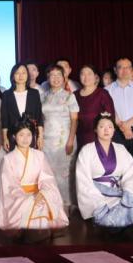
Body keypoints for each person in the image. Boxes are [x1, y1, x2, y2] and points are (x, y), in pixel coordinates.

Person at [76, 113, 133, 228]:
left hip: (118, 192)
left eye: (110, 127)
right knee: (114, 217)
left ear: (114, 130)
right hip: (97, 195)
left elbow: (130, 173)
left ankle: (131, 235)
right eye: (102, 126)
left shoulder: (121, 149)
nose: (106, 130)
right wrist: (97, 200)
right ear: (95, 129)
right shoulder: (87, 150)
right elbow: (83, 180)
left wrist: (128, 190)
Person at [0, 121, 69, 230]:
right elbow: (9, 186)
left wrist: (43, 193)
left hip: (39, 194)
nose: (25, 139)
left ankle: (41, 233)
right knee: (32, 208)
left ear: (33, 136)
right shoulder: (8, 159)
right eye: (21, 135)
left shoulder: (39, 155)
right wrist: (29, 199)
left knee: (43, 206)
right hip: (20, 198)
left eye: (29, 135)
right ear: (14, 136)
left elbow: (47, 179)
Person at [106, 57, 133, 192]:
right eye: (121, 67)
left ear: (132, 70)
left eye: (128, 67)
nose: (124, 70)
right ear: (115, 70)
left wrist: (128, 124)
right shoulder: (107, 90)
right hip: (116, 132)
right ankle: (119, 199)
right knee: (118, 166)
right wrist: (123, 126)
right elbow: (109, 111)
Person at [41, 64, 80, 210]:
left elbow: (74, 120)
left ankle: (67, 204)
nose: (56, 78)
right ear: (48, 78)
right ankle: (52, 203)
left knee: (65, 174)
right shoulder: (43, 96)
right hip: (47, 141)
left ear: (64, 78)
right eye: (52, 75)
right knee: (49, 173)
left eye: (59, 75)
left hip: (64, 140)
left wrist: (70, 140)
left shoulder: (69, 96)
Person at [1, 64, 44, 151]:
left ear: (27, 75)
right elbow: (4, 119)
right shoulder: (7, 94)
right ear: (13, 76)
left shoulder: (34, 93)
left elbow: (39, 116)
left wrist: (40, 136)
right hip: (13, 136)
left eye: (23, 73)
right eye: (17, 73)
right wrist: (5, 138)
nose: (20, 76)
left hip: (30, 136)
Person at [75, 65, 116, 148]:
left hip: (98, 137)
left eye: (89, 74)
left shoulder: (103, 93)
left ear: (95, 77)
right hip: (80, 137)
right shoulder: (75, 95)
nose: (86, 77)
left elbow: (110, 117)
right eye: (83, 74)